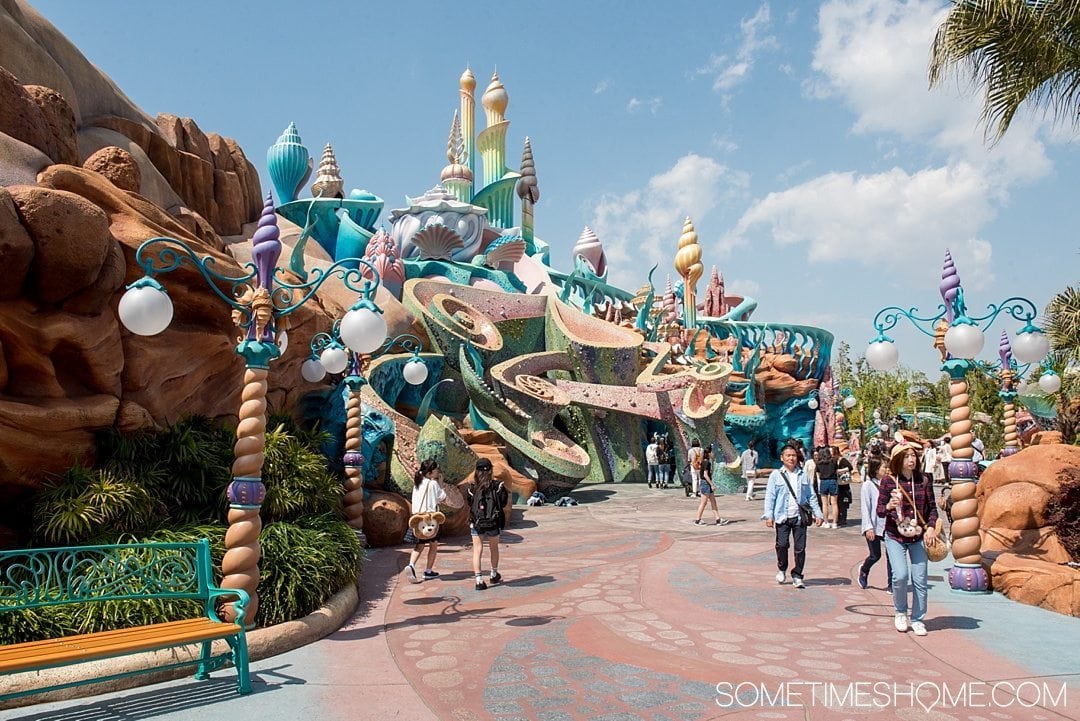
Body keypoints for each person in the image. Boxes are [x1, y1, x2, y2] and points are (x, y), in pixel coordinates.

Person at [877, 443, 939, 636]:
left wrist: (930, 528)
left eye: (913, 455)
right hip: (895, 535)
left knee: (920, 578)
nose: (911, 459)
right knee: (900, 575)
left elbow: (933, 510)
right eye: (907, 456)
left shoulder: (924, 480)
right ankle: (901, 612)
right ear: (898, 460)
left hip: (919, 536)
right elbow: (879, 511)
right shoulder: (888, 481)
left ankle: (918, 618)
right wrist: (888, 505)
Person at [762, 444, 824, 589]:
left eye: (794, 455)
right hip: (782, 517)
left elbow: (812, 496)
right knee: (782, 545)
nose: (791, 458)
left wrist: (818, 514)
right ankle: (782, 568)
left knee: (800, 548)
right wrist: (768, 515)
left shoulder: (803, 475)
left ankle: (797, 575)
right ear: (782, 458)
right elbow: (770, 496)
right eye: (788, 455)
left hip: (799, 517)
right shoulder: (776, 475)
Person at [467, 458, 509, 590]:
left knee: (477, 550)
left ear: (476, 471)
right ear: (491, 470)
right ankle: (493, 573)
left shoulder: (472, 488)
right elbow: (503, 503)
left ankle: (479, 580)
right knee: (494, 548)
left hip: (476, 522)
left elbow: (470, 503)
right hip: (493, 522)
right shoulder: (498, 486)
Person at [404, 459, 448, 583]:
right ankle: (428, 570)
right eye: (436, 470)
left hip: (418, 519)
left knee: (420, 544)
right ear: (429, 473)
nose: (438, 472)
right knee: (433, 544)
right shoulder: (433, 483)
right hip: (430, 518)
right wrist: (441, 483)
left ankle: (412, 565)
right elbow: (442, 498)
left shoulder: (418, 482)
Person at [858, 457, 892, 590]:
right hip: (874, 525)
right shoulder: (868, 485)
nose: (887, 470)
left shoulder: (889, 484)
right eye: (884, 467)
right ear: (876, 469)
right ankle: (864, 570)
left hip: (888, 525)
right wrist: (868, 527)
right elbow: (865, 507)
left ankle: (892, 584)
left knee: (892, 555)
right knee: (875, 555)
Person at [694, 448, 729, 525]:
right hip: (705, 483)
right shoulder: (706, 462)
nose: (713, 453)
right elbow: (705, 475)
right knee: (703, 503)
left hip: (706, 483)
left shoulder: (707, 462)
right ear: (709, 453)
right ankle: (697, 520)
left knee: (713, 501)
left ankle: (718, 519)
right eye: (712, 452)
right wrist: (712, 484)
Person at [815, 446, 839, 528]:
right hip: (833, 481)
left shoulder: (818, 462)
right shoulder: (834, 461)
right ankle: (835, 523)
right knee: (834, 503)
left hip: (823, 481)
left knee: (824, 504)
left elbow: (818, 474)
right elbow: (836, 471)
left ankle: (826, 522)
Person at [835, 446, 854, 527]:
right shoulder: (834, 461)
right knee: (837, 501)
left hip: (844, 483)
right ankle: (839, 517)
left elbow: (850, 467)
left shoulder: (843, 460)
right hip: (837, 483)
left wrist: (840, 471)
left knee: (844, 502)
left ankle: (843, 518)